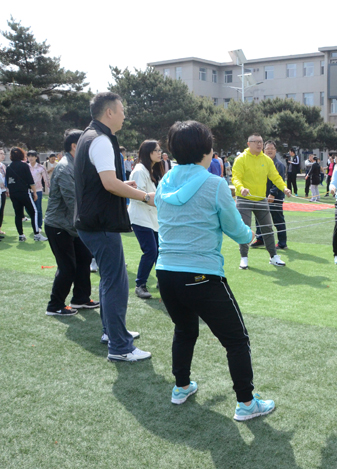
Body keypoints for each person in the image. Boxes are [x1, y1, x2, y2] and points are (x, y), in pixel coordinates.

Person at [155, 120, 276, 419]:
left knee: (184, 330)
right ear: (206, 151)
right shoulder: (214, 183)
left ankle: (181, 386)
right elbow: (235, 228)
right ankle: (246, 403)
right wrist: (249, 236)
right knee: (236, 340)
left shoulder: (165, 181)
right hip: (201, 276)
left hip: (166, 274)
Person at [74, 91, 155, 362]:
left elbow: (102, 182)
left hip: (92, 221)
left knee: (109, 280)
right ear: (109, 112)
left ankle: (111, 333)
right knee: (116, 283)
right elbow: (109, 184)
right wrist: (145, 196)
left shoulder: (88, 136)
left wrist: (124, 186)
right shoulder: (100, 139)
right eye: (121, 110)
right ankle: (120, 347)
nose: (124, 115)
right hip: (100, 223)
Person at [44, 129, 99, 316]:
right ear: (75, 146)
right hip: (59, 226)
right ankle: (55, 306)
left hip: (73, 226)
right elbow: (73, 201)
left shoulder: (77, 164)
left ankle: (81, 299)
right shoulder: (65, 167)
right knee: (67, 267)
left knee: (84, 259)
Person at [232, 133, 292, 270]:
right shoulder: (241, 159)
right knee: (245, 228)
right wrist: (241, 188)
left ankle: (273, 256)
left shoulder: (266, 160)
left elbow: (275, 177)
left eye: (261, 142)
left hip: (261, 199)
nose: (259, 144)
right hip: (244, 199)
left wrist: (284, 188)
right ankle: (244, 257)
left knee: (267, 228)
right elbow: (235, 177)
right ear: (249, 144)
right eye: (256, 142)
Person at [129, 140, 164, 300]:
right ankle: (140, 285)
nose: (160, 153)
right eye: (156, 150)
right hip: (140, 218)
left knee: (159, 251)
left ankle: (162, 281)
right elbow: (137, 195)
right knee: (151, 251)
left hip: (152, 218)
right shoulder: (139, 170)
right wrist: (155, 200)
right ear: (148, 153)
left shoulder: (152, 170)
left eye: (160, 150)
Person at [6, 147, 47, 242]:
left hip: (13, 193)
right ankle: (37, 234)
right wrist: (35, 192)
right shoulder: (24, 165)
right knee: (34, 212)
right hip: (24, 193)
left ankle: (21, 235)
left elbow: (7, 181)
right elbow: (30, 181)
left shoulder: (8, 167)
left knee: (18, 214)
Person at [252, 141, 288, 249]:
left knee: (278, 219)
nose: (270, 150)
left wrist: (272, 193)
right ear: (264, 150)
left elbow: (279, 180)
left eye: (272, 148)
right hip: (261, 196)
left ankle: (282, 243)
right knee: (259, 218)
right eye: (268, 148)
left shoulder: (279, 165)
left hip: (275, 197)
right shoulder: (261, 163)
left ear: (275, 151)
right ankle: (260, 239)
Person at [27, 150, 50, 231]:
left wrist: (49, 189)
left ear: (36, 157)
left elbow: (46, 179)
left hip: (38, 190)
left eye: (32, 156)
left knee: (38, 209)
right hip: (28, 190)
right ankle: (34, 221)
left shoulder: (41, 167)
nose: (30, 158)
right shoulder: (26, 167)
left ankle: (39, 226)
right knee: (28, 208)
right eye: (29, 156)